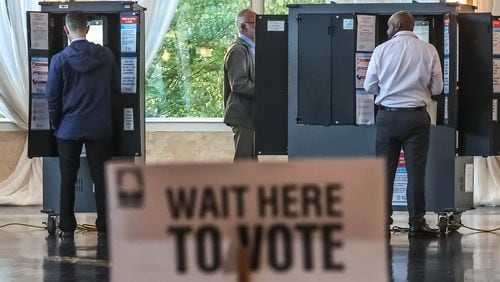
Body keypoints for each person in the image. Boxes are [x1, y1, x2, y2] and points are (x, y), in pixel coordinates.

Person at [364, 11, 443, 237]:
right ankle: (416, 225)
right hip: (417, 118)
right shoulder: (429, 50)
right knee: (416, 173)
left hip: (387, 117)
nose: (387, 31)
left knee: (384, 172)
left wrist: (388, 92)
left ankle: (381, 224)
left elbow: (369, 86)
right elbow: (437, 89)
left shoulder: (381, 50)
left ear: (397, 25)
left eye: (389, 27)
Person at [46, 11, 118, 238]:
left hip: (68, 128)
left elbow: (52, 98)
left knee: (68, 177)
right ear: (87, 29)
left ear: (66, 30)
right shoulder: (105, 56)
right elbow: (115, 90)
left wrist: (56, 125)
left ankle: (67, 226)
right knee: (101, 177)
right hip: (99, 127)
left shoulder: (59, 60)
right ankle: (105, 226)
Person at [223, 9, 257, 161]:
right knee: (244, 162)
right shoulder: (238, 50)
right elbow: (239, 84)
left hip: (249, 115)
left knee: (251, 160)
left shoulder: (249, 49)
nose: (260, 29)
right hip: (243, 116)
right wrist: (266, 91)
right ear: (243, 27)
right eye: (256, 24)